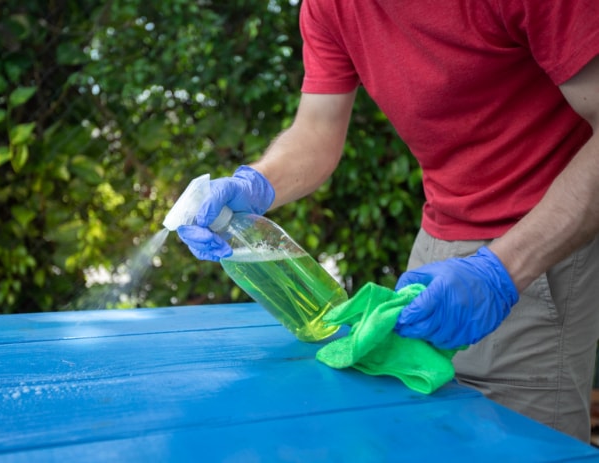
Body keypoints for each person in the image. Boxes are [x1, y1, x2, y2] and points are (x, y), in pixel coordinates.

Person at [176, 0, 599, 442]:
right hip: (437, 240)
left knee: (513, 445)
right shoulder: (328, 7)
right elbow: (316, 132)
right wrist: (255, 183)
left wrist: (501, 272)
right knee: (420, 435)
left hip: (543, 245)